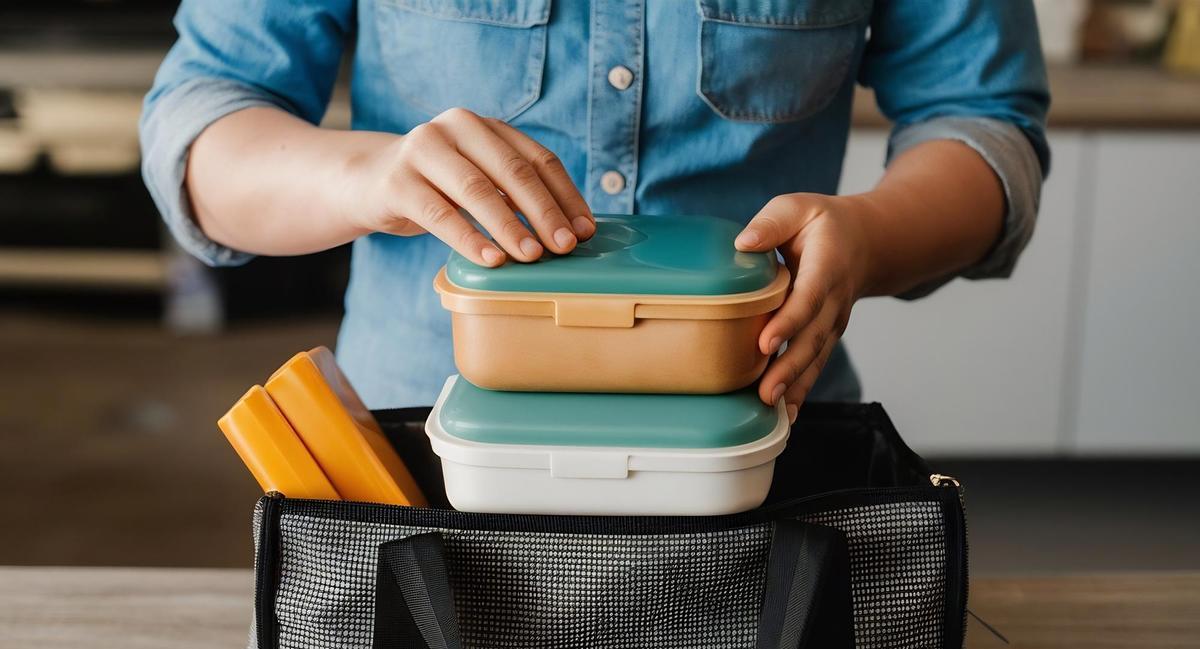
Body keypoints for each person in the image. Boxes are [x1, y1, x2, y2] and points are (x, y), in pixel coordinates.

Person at [141, 1, 1049, 419]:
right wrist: (372, 175)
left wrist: (872, 237)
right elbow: (201, 120)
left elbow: (986, 123)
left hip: (763, 460)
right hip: (418, 465)